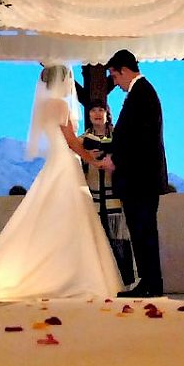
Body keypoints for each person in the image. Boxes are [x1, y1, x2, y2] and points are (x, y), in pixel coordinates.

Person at [0, 65, 120, 299]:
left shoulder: (44, 106)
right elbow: (71, 141)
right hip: (65, 163)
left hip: (53, 162)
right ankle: (74, 273)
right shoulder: (60, 105)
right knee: (72, 215)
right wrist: (94, 160)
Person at [99, 50, 168, 297]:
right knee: (141, 231)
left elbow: (141, 140)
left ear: (125, 71)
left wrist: (116, 161)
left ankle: (150, 283)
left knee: (143, 231)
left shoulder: (142, 94)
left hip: (140, 179)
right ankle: (149, 281)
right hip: (141, 178)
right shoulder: (142, 93)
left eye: (115, 77)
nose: (115, 83)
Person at [80, 100, 135, 286]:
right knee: (96, 241)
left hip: (115, 196)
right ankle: (99, 282)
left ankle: (124, 281)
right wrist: (89, 158)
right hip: (92, 196)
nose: (97, 113)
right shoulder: (82, 140)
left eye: (101, 109)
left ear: (107, 113)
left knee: (119, 240)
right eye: (93, 110)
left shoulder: (118, 136)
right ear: (88, 115)